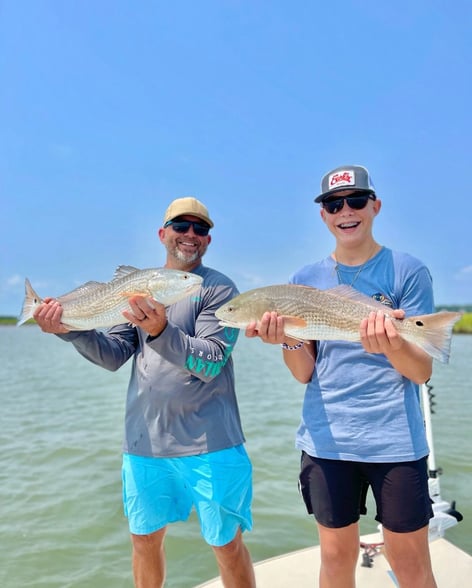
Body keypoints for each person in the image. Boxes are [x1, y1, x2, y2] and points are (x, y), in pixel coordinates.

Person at [34, 196, 256, 588]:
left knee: (226, 544)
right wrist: (71, 330)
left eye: (200, 229)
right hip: (144, 444)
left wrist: (160, 331)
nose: (190, 235)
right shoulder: (136, 290)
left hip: (211, 444)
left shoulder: (217, 288)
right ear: (162, 234)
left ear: (208, 240)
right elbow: (113, 355)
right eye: (181, 227)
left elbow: (212, 361)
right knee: (144, 540)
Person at [246, 165, 438, 588]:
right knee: (334, 559)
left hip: (396, 442)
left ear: (375, 206)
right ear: (323, 215)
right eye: (334, 204)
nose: (345, 211)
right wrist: (288, 339)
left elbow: (421, 370)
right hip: (326, 441)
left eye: (355, 201)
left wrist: (391, 343)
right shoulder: (303, 280)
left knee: (411, 565)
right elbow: (303, 374)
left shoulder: (408, 271)